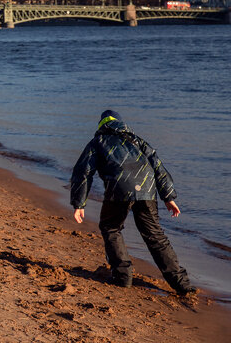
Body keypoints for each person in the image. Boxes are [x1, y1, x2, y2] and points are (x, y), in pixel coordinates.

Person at [70, 110, 194, 295]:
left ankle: (123, 276)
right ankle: (182, 284)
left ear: (101, 125)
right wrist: (168, 197)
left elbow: (83, 172)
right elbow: (158, 167)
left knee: (111, 228)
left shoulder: (98, 142)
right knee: (156, 237)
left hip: (118, 191)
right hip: (146, 189)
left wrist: (79, 204)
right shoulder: (138, 141)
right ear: (121, 124)